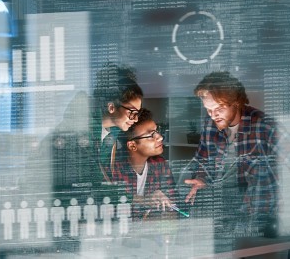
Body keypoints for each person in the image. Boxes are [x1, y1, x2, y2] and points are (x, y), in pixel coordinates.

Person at [183, 72, 280, 252]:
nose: (213, 115)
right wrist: (202, 178)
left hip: (259, 219)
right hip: (222, 213)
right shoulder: (210, 124)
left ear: (236, 102)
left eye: (218, 108)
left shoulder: (265, 126)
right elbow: (202, 159)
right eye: (208, 109)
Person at [112, 108, 176, 220]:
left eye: (157, 131)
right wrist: (143, 201)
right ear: (132, 145)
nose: (160, 137)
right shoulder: (114, 169)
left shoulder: (159, 164)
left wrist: (167, 206)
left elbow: (174, 208)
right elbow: (111, 208)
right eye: (151, 135)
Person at [91, 63, 144, 182]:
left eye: (138, 113)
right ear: (111, 107)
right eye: (132, 112)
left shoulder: (113, 136)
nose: (136, 119)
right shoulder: (84, 130)